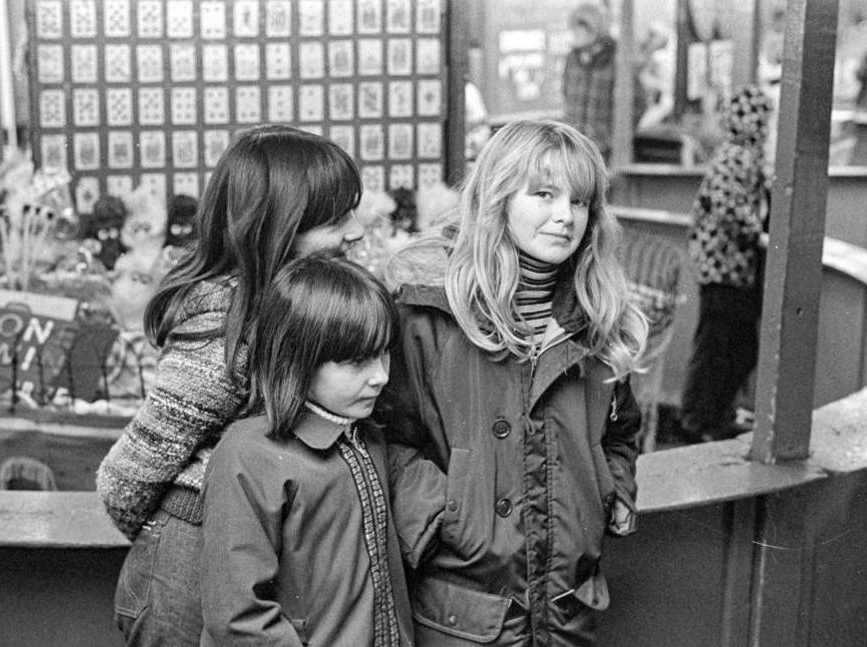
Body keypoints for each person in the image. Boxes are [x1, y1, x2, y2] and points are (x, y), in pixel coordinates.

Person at [376, 120, 647, 645]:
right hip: (463, 609)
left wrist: (607, 490)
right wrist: (446, 519)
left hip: (568, 607)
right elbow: (381, 434)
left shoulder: (595, 316)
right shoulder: (426, 312)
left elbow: (621, 431)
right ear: (497, 197)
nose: (565, 216)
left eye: (580, 200)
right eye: (543, 194)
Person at [96, 124, 365, 646]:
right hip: (188, 571)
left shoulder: (296, 306)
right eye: (335, 219)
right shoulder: (227, 320)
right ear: (279, 226)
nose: (354, 232)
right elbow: (125, 481)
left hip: (253, 554)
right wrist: (192, 524)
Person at [198, 254, 418, 646]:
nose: (381, 376)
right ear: (297, 360)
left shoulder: (365, 436)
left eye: (384, 353)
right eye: (357, 362)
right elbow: (238, 616)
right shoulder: (248, 455)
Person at [679, 85, 773, 443]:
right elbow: (730, 208)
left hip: (726, 268)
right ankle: (700, 419)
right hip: (725, 270)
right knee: (721, 348)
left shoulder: (736, 156)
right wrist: (758, 234)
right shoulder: (737, 158)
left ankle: (712, 415)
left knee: (729, 347)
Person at [562, 2, 616, 161]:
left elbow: (635, 104)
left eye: (581, 26)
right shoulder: (572, 58)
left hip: (604, 150)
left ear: (594, 30)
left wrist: (611, 138)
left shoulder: (616, 60)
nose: (575, 32)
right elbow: (565, 94)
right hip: (574, 146)